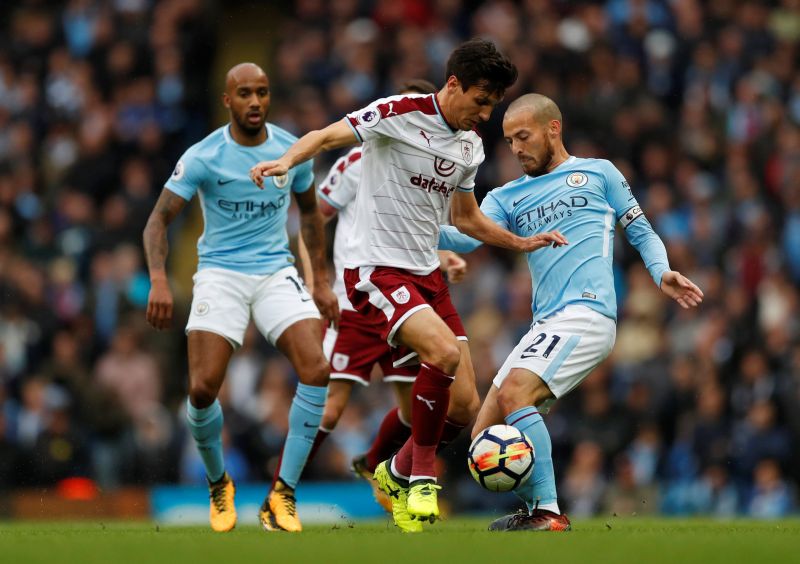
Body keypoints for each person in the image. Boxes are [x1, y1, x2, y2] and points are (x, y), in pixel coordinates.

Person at [250, 39, 566, 532]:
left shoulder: (469, 146)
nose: (484, 114)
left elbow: (466, 217)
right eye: (481, 100)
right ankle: (417, 476)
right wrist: (285, 162)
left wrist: (518, 242)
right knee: (434, 357)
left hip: (426, 276)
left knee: (464, 404)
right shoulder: (397, 113)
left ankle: (392, 469)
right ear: (454, 83)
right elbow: (325, 135)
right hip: (376, 271)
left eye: (492, 105)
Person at [438, 93, 703, 531]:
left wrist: (662, 272)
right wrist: (415, 230)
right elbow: (466, 237)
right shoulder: (507, 195)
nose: (517, 148)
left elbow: (639, 229)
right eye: (508, 141)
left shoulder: (599, 172)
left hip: (588, 313)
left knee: (515, 394)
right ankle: (533, 507)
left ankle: (547, 510)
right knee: (484, 438)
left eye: (523, 137)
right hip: (544, 323)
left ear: (552, 128)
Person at [143, 63, 338, 534]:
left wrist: (322, 280)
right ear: (227, 100)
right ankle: (218, 482)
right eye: (245, 94)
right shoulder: (204, 156)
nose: (255, 102)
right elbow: (157, 222)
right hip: (219, 273)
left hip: (275, 272)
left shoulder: (291, 151)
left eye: (263, 93)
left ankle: (283, 494)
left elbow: (310, 215)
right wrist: (159, 279)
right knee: (202, 388)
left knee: (316, 368)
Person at [299, 79, 470, 513]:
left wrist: (444, 255)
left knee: (417, 412)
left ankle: (376, 465)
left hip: (405, 292)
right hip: (354, 300)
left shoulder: (426, 161)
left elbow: (413, 229)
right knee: (332, 408)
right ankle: (282, 488)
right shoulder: (359, 159)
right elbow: (314, 218)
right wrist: (316, 279)